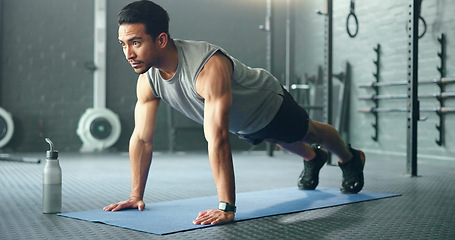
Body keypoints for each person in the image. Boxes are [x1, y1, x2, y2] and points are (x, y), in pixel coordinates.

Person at [103, 0, 366, 226]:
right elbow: (142, 138)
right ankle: (313, 158)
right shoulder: (148, 79)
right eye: (123, 44)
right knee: (276, 138)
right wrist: (136, 195)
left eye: (135, 43)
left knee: (307, 131)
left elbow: (217, 139)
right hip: (244, 123)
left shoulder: (207, 67)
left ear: (160, 39)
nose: (128, 53)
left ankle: (350, 158)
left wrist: (226, 207)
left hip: (266, 103)